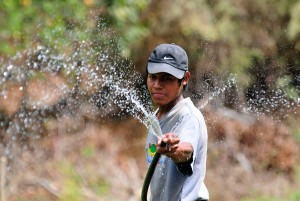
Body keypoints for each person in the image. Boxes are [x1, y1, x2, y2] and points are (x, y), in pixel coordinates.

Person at [145, 43, 209, 201]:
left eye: (167, 78)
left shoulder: (188, 117)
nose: (157, 85)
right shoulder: (157, 117)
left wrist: (172, 149)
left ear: (185, 78)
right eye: (153, 77)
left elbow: (186, 151)